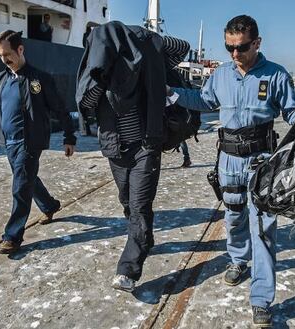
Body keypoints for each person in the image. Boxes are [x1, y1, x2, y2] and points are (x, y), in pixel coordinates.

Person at [167, 15, 295, 327]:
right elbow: (203, 101)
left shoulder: (276, 75)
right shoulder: (220, 75)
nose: (234, 53)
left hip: (261, 161)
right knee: (233, 217)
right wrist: (172, 94)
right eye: (228, 47)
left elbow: (292, 108)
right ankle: (238, 260)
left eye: (241, 47)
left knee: (264, 229)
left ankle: (261, 299)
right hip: (228, 160)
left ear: (257, 43)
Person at [77, 21, 190, 293]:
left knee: (139, 205)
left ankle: (128, 268)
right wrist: (100, 78)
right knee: (127, 201)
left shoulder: (146, 57)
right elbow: (86, 104)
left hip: (146, 145)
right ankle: (142, 237)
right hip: (115, 148)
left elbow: (183, 49)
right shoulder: (99, 74)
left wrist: (146, 38)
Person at [0, 30, 76, 254]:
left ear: (20, 49)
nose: (4, 59)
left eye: (7, 54)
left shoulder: (39, 78)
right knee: (27, 180)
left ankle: (12, 236)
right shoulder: (1, 79)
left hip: (30, 142)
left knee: (20, 186)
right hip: (9, 142)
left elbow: (60, 109)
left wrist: (69, 137)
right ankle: (49, 205)